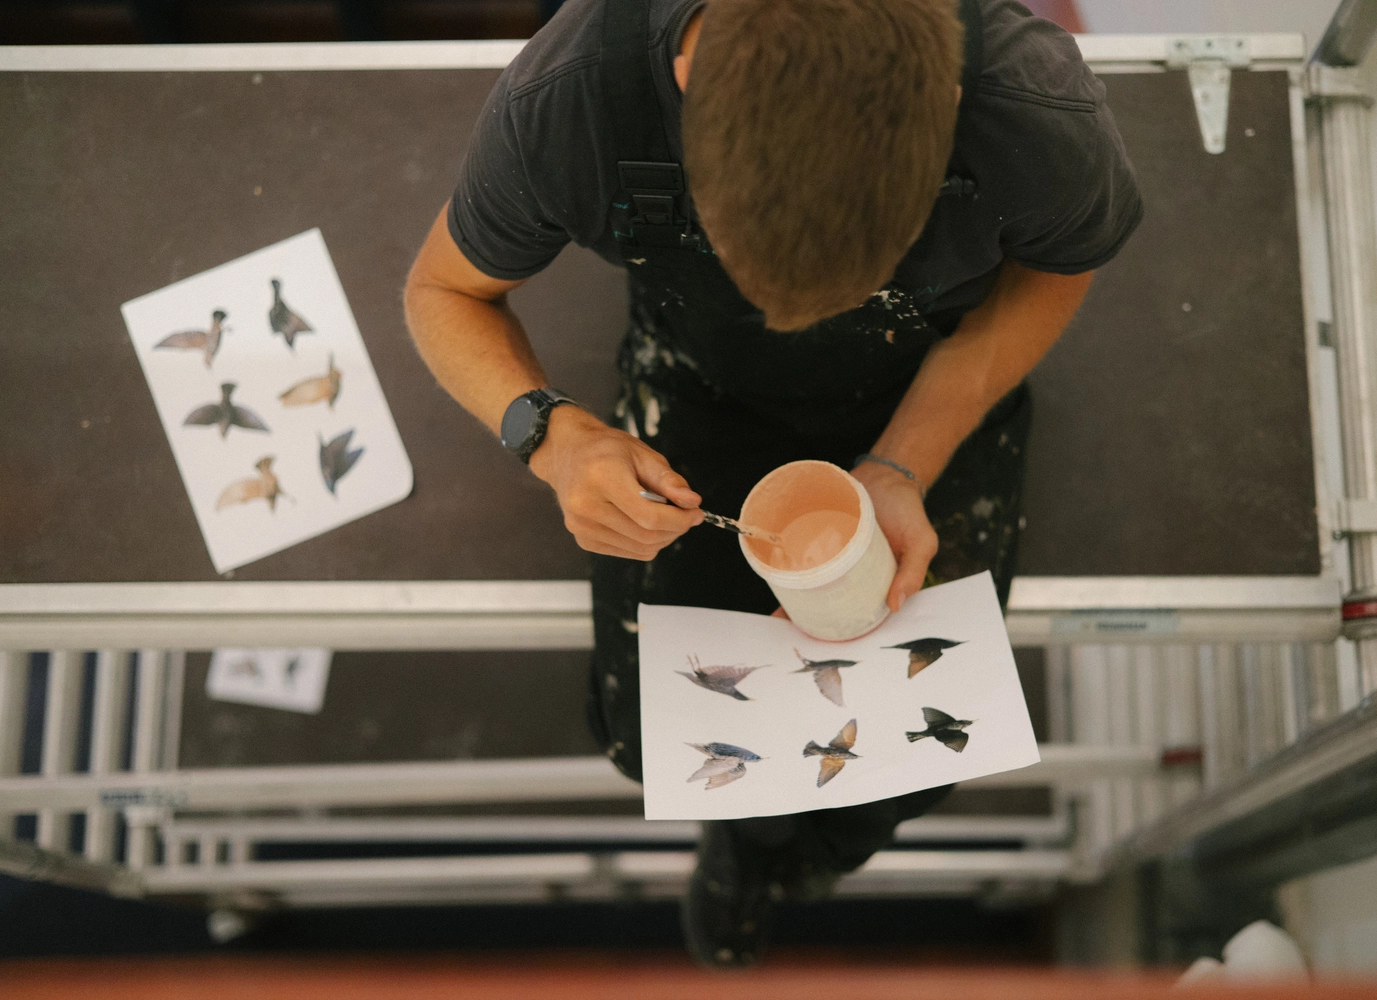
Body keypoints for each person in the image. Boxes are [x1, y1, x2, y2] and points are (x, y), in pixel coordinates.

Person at [405, 0, 1141, 967]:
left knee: (913, 760)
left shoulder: (1035, 106)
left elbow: (1057, 266)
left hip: (927, 378)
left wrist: (905, 456)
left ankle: (800, 868)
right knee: (651, 736)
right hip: (697, 383)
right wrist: (553, 437)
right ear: (688, 81)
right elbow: (442, 291)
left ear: (951, 102)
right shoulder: (573, 94)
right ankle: (744, 851)